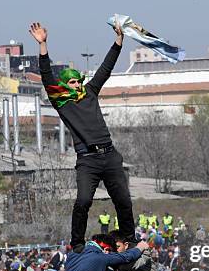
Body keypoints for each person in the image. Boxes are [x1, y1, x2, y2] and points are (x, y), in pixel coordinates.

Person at [30, 21, 135, 249]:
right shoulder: (61, 102)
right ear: (65, 85)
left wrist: (118, 41)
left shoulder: (90, 92)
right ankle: (77, 243)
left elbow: (106, 68)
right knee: (84, 201)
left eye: (78, 80)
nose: (77, 84)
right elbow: (46, 75)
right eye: (72, 81)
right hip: (88, 159)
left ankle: (129, 240)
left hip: (109, 155)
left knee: (124, 201)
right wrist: (43, 44)